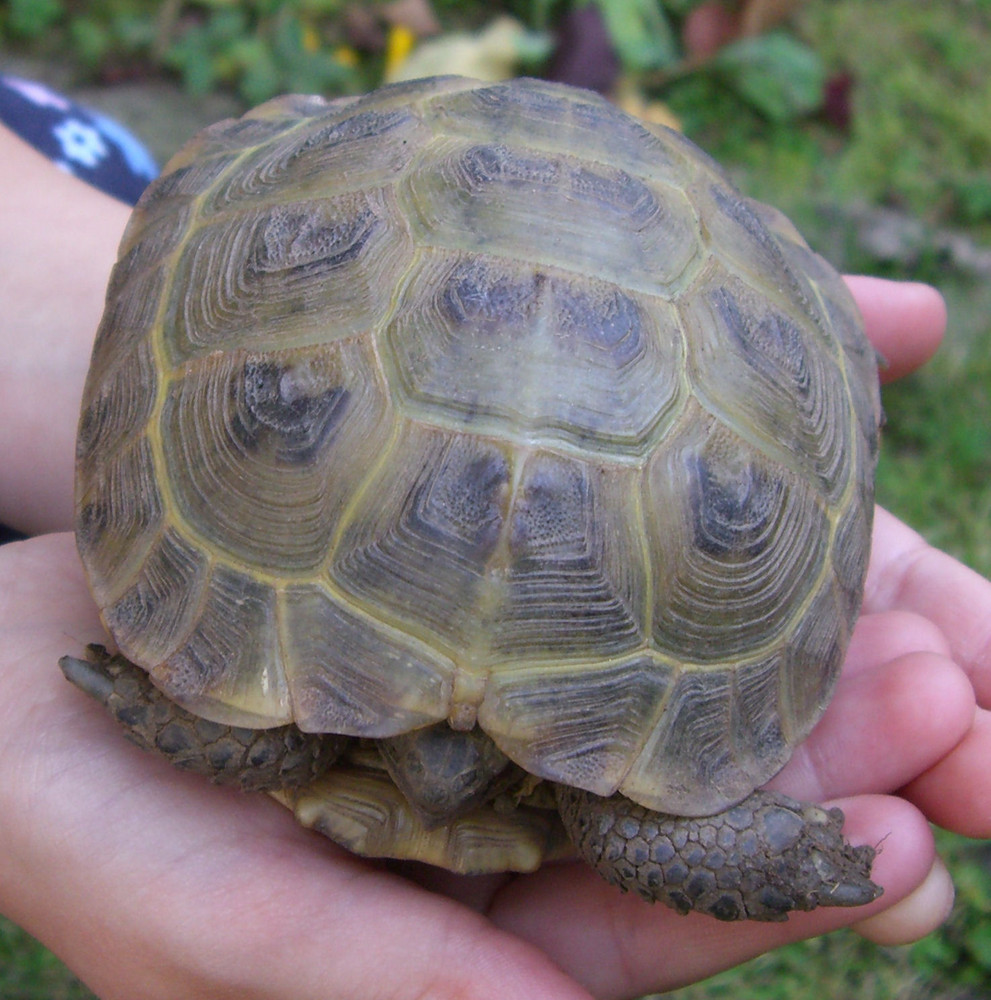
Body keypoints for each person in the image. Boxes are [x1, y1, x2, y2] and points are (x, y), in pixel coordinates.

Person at [1, 106, 989, 1000]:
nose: (438, 782)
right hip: (333, 319)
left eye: (452, 769)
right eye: (451, 767)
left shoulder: (576, 807)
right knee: (255, 718)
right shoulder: (322, 743)